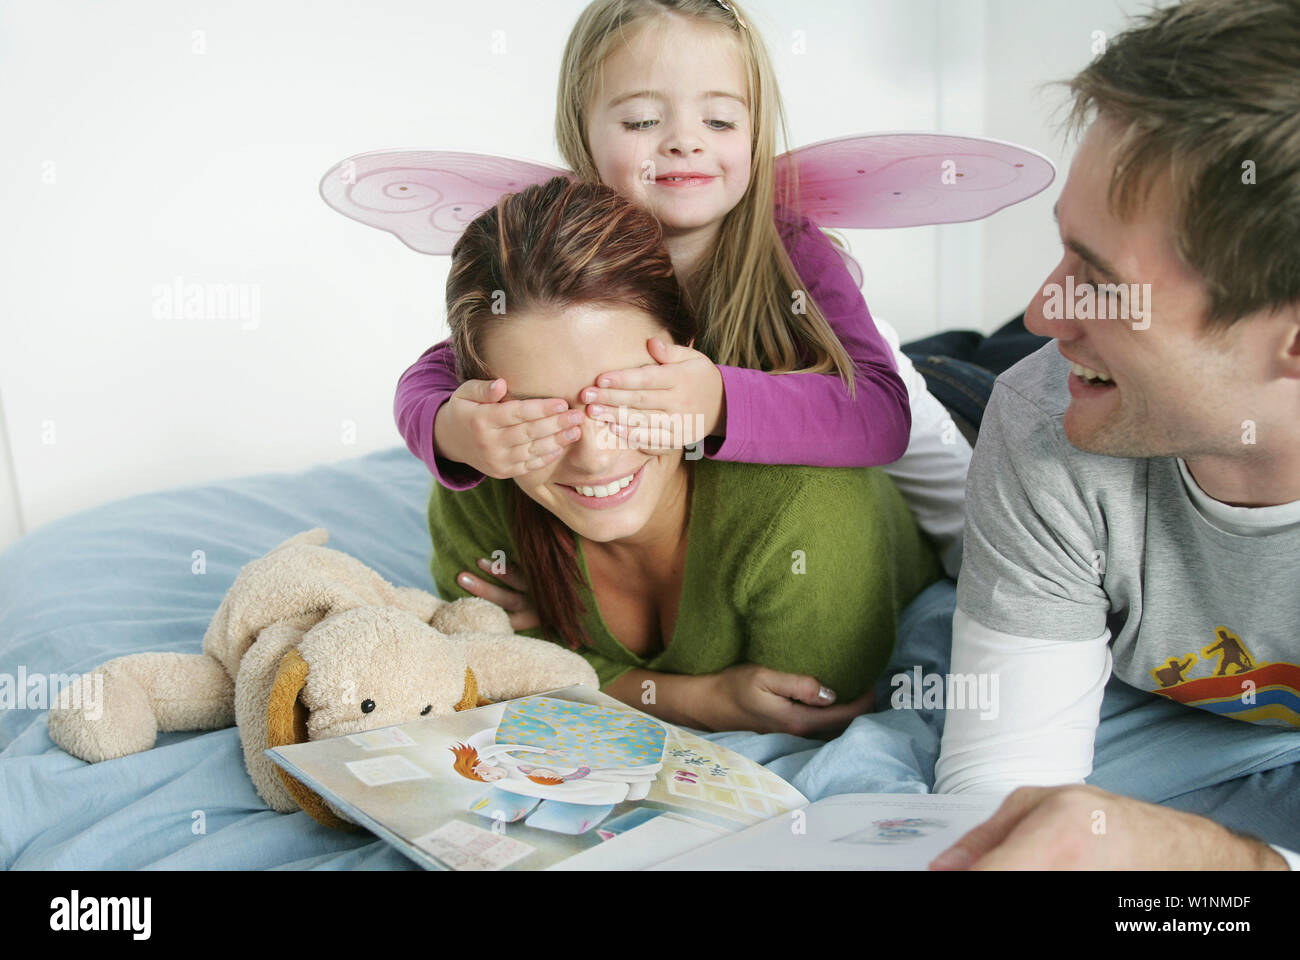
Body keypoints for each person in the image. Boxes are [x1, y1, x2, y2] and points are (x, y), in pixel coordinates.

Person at [396, 0, 972, 594]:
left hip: (848, 368)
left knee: (975, 528)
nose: (684, 143)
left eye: (720, 122)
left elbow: (880, 417)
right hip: (711, 467)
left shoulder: (792, 249)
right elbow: (444, 365)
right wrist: (447, 429)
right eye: (643, 121)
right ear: (579, 129)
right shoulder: (566, 243)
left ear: (755, 131)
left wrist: (719, 401)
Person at [931, 0, 1300, 869]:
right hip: (1161, 709)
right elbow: (1005, 799)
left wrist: (1226, 868)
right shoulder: (1044, 417)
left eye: (1096, 280)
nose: (1041, 311)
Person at [428, 175, 943, 737]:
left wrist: (563, 662)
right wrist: (692, 699)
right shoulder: (479, 463)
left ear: (689, 352)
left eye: (627, 395)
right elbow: (484, 660)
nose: (596, 457)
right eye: (539, 415)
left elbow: (812, 709)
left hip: (954, 391)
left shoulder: (803, 505)